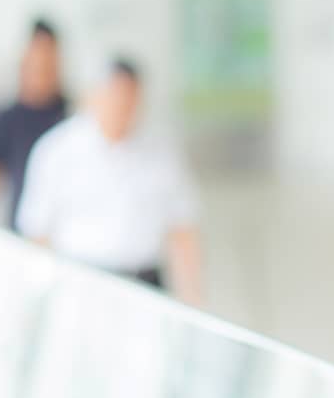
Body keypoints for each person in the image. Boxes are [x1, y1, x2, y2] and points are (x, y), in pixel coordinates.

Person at [16, 58, 203, 304]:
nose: (122, 109)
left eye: (130, 100)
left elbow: (183, 228)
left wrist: (194, 299)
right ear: (94, 97)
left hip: (144, 283)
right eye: (115, 98)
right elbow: (36, 230)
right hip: (81, 285)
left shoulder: (162, 152)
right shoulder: (57, 150)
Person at [0, 18, 69, 232]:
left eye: (49, 59)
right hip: (21, 230)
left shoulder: (71, 117)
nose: (43, 67)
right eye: (38, 59)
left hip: (64, 234)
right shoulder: (6, 118)